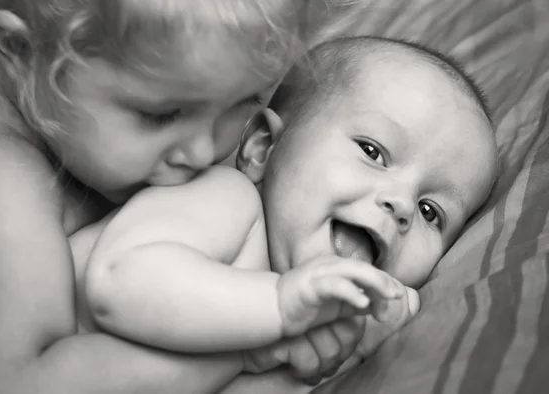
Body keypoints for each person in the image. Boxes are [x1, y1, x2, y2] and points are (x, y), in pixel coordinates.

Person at [0, 0, 315, 393]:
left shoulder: (133, 122)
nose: (203, 151)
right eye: (161, 115)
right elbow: (15, 384)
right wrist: (247, 346)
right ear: (26, 54)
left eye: (245, 102)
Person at [71, 35, 498, 391]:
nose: (402, 205)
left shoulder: (296, 324)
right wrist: (277, 310)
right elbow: (117, 282)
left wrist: (346, 354)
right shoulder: (229, 203)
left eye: (431, 211)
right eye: (373, 152)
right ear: (263, 147)